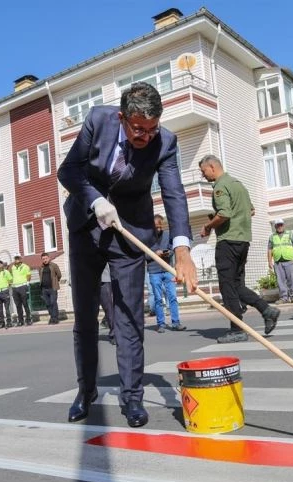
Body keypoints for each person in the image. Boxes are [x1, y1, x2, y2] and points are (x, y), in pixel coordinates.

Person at [57, 81, 198, 428]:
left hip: (131, 232)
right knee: (86, 317)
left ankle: (132, 397)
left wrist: (182, 248)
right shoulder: (98, 121)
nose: (145, 136)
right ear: (122, 118)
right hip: (86, 226)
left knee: (129, 317)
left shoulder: (165, 141)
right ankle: (86, 391)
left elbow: (174, 194)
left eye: (152, 129)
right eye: (138, 129)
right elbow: (68, 170)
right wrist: (95, 199)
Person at [198, 154, 280, 343]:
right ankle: (267, 310)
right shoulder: (238, 184)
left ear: (212, 167)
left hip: (228, 241)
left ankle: (237, 330)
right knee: (236, 285)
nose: (204, 176)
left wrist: (209, 226)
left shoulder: (220, 186)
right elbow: (251, 210)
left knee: (227, 287)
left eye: (204, 172)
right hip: (243, 241)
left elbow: (225, 213)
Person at [148, 214, 187, 332]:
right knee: (158, 299)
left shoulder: (167, 235)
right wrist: (155, 253)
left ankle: (176, 322)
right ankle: (161, 324)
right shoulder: (147, 238)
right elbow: (143, 254)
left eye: (160, 226)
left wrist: (167, 253)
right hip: (154, 271)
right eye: (156, 227)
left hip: (168, 270)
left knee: (173, 297)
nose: (159, 229)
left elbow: (172, 249)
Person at [268, 218, 293, 304]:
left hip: (289, 260)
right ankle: (283, 298)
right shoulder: (272, 236)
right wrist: (269, 261)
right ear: (275, 226)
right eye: (278, 225)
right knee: (280, 281)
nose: (280, 227)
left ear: (284, 225)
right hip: (278, 261)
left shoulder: (290, 234)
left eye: (281, 225)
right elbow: (270, 249)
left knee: (292, 279)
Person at [39, 252, 62, 325]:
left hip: (52, 288)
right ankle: (52, 317)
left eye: (46, 258)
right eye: (43, 259)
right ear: (42, 260)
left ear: (49, 258)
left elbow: (59, 275)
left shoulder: (54, 265)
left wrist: (55, 281)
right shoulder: (41, 267)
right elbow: (40, 277)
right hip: (44, 289)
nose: (45, 260)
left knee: (53, 303)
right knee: (48, 304)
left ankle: (55, 318)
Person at [10, 255, 32, 326]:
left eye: (18, 258)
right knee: (18, 305)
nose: (17, 260)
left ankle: (28, 319)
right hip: (15, 288)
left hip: (22, 286)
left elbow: (28, 275)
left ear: (20, 259)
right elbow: (9, 276)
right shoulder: (12, 267)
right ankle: (20, 321)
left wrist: (27, 283)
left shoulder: (25, 266)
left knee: (25, 304)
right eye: (15, 258)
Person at [99, 264, 115, 345]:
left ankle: (114, 334)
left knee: (109, 308)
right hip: (86, 280)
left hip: (104, 278)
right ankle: (89, 336)